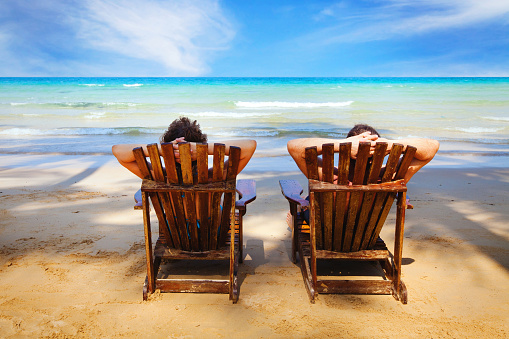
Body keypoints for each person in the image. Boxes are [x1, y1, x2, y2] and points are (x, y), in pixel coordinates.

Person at [112, 116, 256, 180]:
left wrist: (163, 151)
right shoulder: (216, 177)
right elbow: (250, 146)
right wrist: (203, 149)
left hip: (173, 236)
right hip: (212, 236)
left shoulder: (158, 177)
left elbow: (118, 151)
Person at [287, 124, 439, 183]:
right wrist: (392, 145)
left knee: (307, 202)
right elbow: (433, 146)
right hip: (366, 232)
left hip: (328, 231)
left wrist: (341, 145)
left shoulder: (330, 177)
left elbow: (293, 147)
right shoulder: (388, 177)